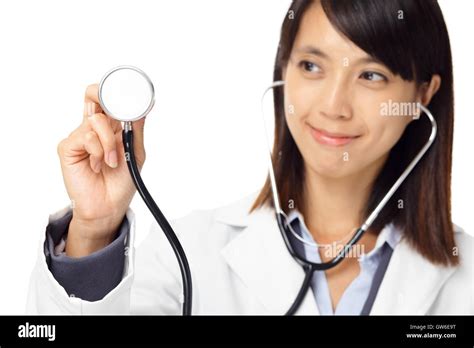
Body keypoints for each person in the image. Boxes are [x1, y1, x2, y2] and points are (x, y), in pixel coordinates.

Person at [27, 0, 473, 315]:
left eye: (371, 74)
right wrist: (96, 228)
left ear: (422, 95)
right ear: (283, 71)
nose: (334, 105)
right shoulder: (189, 254)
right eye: (312, 66)